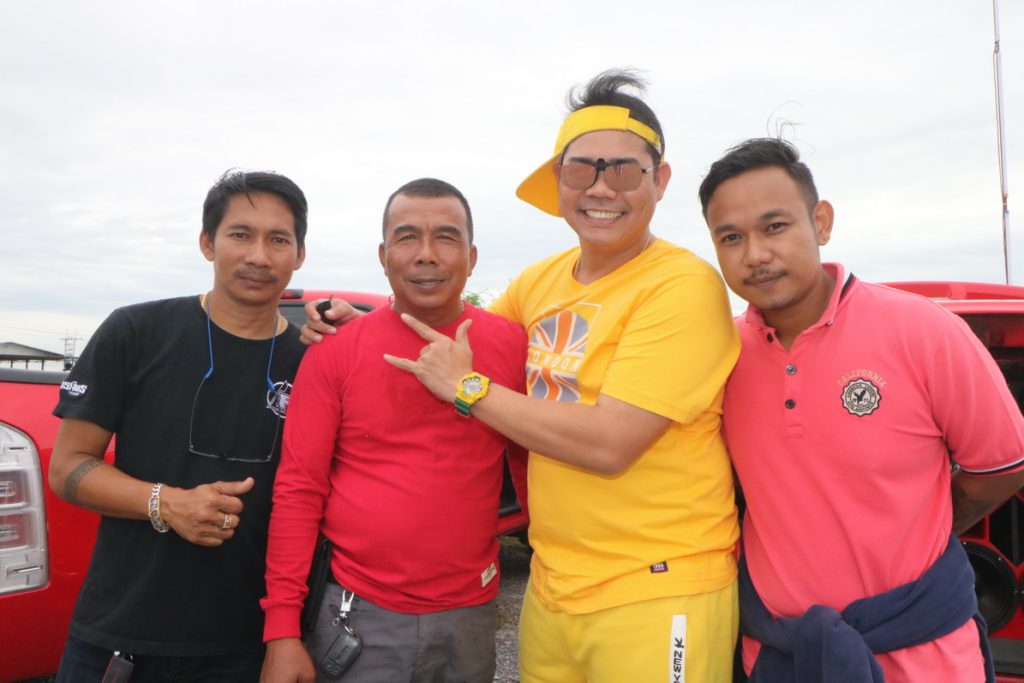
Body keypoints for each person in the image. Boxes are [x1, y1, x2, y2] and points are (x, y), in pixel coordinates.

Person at [373, 71, 741, 683]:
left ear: (660, 180)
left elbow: (611, 442)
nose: (600, 188)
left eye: (623, 171)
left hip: (658, 585)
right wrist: (352, 323)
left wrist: (470, 390)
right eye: (581, 170)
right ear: (559, 181)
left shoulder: (682, 285)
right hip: (552, 586)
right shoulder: (538, 282)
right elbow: (452, 335)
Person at [698, 137, 1024, 682]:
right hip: (781, 655)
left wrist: (919, 530)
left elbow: (1002, 466)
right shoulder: (720, 356)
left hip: (925, 654)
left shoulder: (924, 331)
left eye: (774, 226)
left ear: (820, 222)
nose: (754, 254)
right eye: (731, 237)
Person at [259, 178, 527, 683]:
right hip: (357, 610)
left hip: (472, 610)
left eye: (446, 237)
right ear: (383, 257)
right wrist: (282, 630)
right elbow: (298, 489)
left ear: (471, 256)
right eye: (407, 237)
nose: (426, 254)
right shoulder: (336, 349)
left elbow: (535, 461)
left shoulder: (511, 343)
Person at [48, 170, 309, 682]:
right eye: (240, 234)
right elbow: (67, 467)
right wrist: (166, 503)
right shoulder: (135, 332)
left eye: (279, 240)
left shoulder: (315, 361)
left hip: (249, 649)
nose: (259, 256)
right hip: (119, 638)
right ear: (207, 243)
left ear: (299, 254)